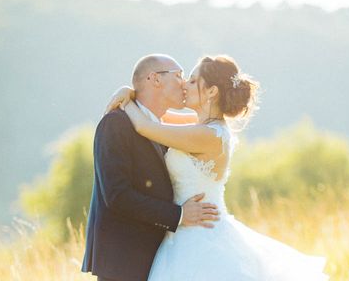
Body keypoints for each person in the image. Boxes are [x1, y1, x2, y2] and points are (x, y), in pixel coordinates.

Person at [106, 54, 328, 280]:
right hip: (184, 231)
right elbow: (155, 116)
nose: (185, 85)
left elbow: (145, 126)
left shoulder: (208, 135)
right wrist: (134, 92)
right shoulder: (202, 127)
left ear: (212, 91)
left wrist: (125, 98)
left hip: (200, 235)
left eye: (192, 81)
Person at [82, 54, 220, 281]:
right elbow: (117, 195)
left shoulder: (158, 127)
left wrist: (130, 92)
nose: (184, 83)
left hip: (160, 258)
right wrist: (179, 215)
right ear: (155, 79)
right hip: (125, 263)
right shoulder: (116, 123)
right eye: (179, 76)